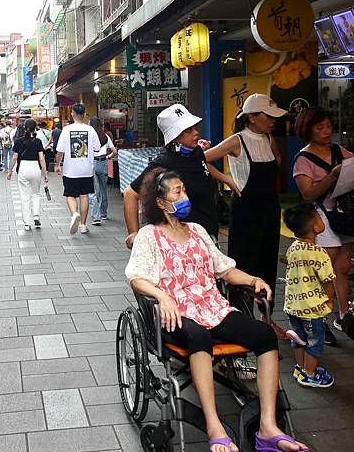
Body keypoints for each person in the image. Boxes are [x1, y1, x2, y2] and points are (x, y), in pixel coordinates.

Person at [126, 168, 310, 452]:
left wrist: (253, 279)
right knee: (198, 336)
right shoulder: (149, 235)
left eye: (184, 190)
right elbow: (137, 277)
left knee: (263, 335)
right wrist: (162, 296)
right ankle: (214, 426)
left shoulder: (197, 231)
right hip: (177, 314)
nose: (185, 196)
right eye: (178, 192)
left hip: (213, 307)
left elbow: (224, 269)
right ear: (161, 203)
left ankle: (268, 427)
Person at [205, 93, 288, 340]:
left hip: (270, 208)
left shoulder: (270, 138)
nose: (273, 121)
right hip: (245, 210)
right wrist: (228, 179)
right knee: (243, 264)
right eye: (268, 116)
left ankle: (267, 319)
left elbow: (278, 165)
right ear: (252, 118)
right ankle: (242, 320)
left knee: (267, 262)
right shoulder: (236, 140)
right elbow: (203, 160)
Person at [124, 104, 236, 250]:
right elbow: (130, 194)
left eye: (195, 128)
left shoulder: (196, 152)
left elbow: (203, 166)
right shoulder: (163, 163)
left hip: (208, 234)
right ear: (174, 137)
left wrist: (226, 179)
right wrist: (134, 234)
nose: (196, 133)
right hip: (182, 244)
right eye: (188, 130)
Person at [292, 106, 353, 344]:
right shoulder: (303, 159)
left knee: (343, 267)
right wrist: (332, 177)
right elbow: (307, 194)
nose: (326, 131)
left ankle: (344, 315)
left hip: (345, 216)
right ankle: (320, 320)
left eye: (328, 126)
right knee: (323, 271)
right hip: (322, 218)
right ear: (308, 130)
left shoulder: (341, 151)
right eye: (319, 127)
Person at [282, 203, 335, 388]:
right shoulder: (320, 253)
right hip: (312, 307)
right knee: (314, 341)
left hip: (292, 305)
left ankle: (301, 367)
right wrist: (329, 302)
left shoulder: (294, 247)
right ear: (315, 227)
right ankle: (310, 374)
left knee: (299, 338)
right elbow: (328, 280)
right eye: (319, 218)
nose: (322, 220)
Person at [55, 103, 101, 235]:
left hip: (71, 170)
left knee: (70, 195)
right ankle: (83, 225)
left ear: (73, 114)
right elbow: (97, 148)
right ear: (84, 114)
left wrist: (58, 165)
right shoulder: (90, 130)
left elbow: (60, 151)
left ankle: (75, 214)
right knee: (84, 196)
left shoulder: (67, 130)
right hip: (86, 170)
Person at [7, 119, 49, 231]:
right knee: (36, 194)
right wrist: (45, 173)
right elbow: (41, 158)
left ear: (24, 128)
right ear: (35, 128)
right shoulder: (38, 141)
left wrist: (10, 170)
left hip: (23, 168)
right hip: (35, 168)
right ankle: (36, 215)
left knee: (25, 197)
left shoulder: (18, 141)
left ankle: (27, 223)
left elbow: (15, 157)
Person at [89, 117, 116, 226]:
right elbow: (114, 151)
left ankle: (96, 216)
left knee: (94, 190)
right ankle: (104, 213)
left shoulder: (90, 137)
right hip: (103, 162)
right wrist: (108, 156)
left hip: (93, 163)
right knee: (103, 189)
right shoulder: (105, 137)